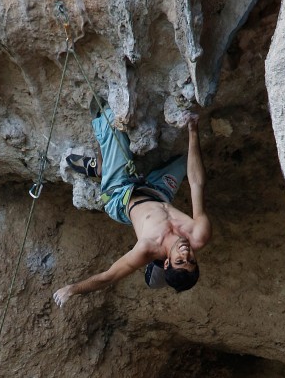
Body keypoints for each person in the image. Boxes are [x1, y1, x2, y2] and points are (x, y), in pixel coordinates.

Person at [53, 105, 211, 307]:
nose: (186, 254)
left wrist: (72, 289)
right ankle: (116, 166)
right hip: (158, 191)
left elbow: (108, 277)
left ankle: (100, 166)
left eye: (180, 261)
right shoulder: (199, 234)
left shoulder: (148, 248)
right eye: (192, 260)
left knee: (111, 118)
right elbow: (197, 183)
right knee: (189, 158)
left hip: (120, 195)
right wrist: (193, 130)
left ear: (166, 262)